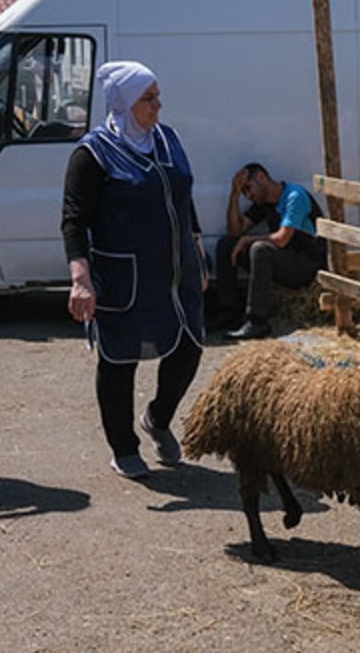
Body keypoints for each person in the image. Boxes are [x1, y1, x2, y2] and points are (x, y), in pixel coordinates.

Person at [62, 61, 205, 480]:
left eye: (157, 95)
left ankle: (157, 419)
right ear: (125, 102)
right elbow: (73, 219)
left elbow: (182, 192)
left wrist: (196, 242)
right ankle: (123, 446)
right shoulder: (93, 153)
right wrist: (80, 278)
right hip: (125, 276)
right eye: (148, 98)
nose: (158, 105)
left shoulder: (168, 138)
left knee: (188, 348)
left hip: (179, 274)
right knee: (120, 358)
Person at [216, 163, 326, 340]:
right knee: (227, 244)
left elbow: (282, 239)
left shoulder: (294, 196)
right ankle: (228, 312)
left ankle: (258, 323)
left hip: (307, 266)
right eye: (244, 193)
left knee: (261, 249)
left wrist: (248, 239)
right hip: (285, 260)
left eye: (248, 188)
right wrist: (234, 193)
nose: (249, 196)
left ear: (261, 177)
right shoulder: (264, 203)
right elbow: (235, 231)